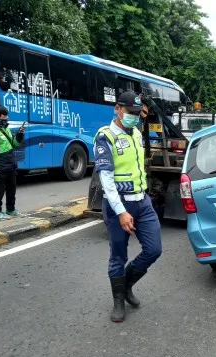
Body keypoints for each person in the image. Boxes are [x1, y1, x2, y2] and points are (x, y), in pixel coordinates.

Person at [93, 90, 163, 323]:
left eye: (137, 113)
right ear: (117, 109)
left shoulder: (136, 134)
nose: (134, 117)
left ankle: (127, 284)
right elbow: (107, 179)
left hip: (142, 201)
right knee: (118, 256)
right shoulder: (105, 137)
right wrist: (121, 211)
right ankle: (118, 301)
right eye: (130, 112)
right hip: (118, 205)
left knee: (154, 249)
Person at [0, 105, 25, 219]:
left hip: (11, 165)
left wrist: (20, 134)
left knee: (12, 189)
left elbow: (14, 144)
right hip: (0, 166)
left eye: (7, 116)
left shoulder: (5, 128)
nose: (6, 118)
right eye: (4, 116)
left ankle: (10, 210)